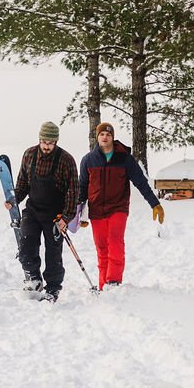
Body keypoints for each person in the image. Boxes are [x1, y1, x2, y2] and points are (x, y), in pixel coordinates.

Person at [76, 121, 164, 290]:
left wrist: (155, 204)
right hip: (96, 210)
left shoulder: (125, 159)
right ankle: (103, 285)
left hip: (118, 208)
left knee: (115, 241)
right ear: (97, 137)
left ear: (112, 137)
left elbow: (141, 182)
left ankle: (113, 281)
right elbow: (82, 188)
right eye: (102, 134)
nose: (105, 137)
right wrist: (79, 214)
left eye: (108, 134)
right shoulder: (88, 160)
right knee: (102, 248)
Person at [9, 121, 78, 300]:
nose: (47, 146)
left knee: (53, 252)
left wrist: (66, 217)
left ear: (56, 142)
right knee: (26, 245)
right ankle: (34, 278)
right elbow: (23, 183)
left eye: (51, 142)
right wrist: (14, 199)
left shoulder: (66, 160)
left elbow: (73, 191)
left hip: (55, 214)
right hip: (33, 209)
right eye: (44, 141)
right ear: (39, 139)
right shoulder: (29, 155)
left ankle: (53, 287)